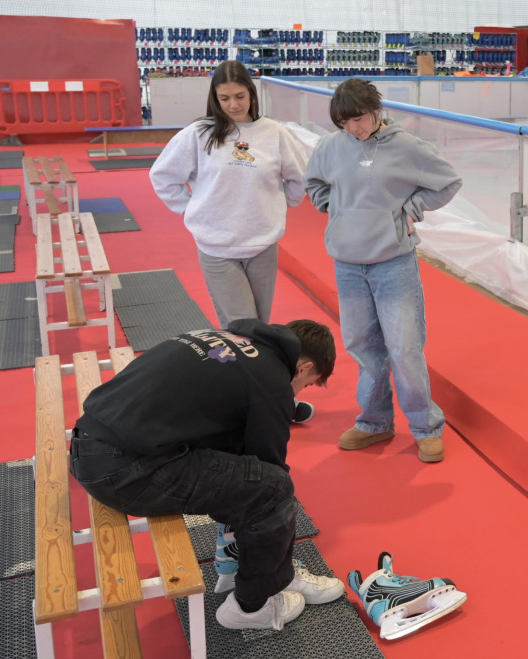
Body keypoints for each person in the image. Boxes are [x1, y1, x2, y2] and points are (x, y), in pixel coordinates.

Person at [69, 318, 340, 631]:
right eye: (305, 385)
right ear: (304, 367)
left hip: (90, 444)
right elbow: (270, 469)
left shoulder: (224, 337)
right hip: (125, 473)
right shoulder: (272, 379)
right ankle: (253, 605)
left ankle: (237, 562)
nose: (298, 392)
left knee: (242, 466)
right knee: (274, 488)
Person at [304, 78, 462, 463]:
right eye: (344, 121)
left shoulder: (407, 147)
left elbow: (448, 182)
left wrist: (411, 209)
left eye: (358, 119)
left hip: (393, 262)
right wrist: (332, 208)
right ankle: (375, 422)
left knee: (405, 348)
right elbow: (314, 182)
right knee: (362, 346)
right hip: (347, 263)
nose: (353, 128)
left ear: (376, 110)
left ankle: (426, 427)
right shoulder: (330, 147)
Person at [149, 60, 308, 330]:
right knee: (243, 328)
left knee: (258, 326)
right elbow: (163, 176)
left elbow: (300, 177)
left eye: (239, 96)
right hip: (217, 247)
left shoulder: (275, 133)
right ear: (214, 98)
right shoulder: (199, 134)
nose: (233, 105)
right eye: (224, 98)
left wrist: (276, 206)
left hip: (263, 245)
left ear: (251, 93)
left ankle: (248, 371)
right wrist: (192, 209)